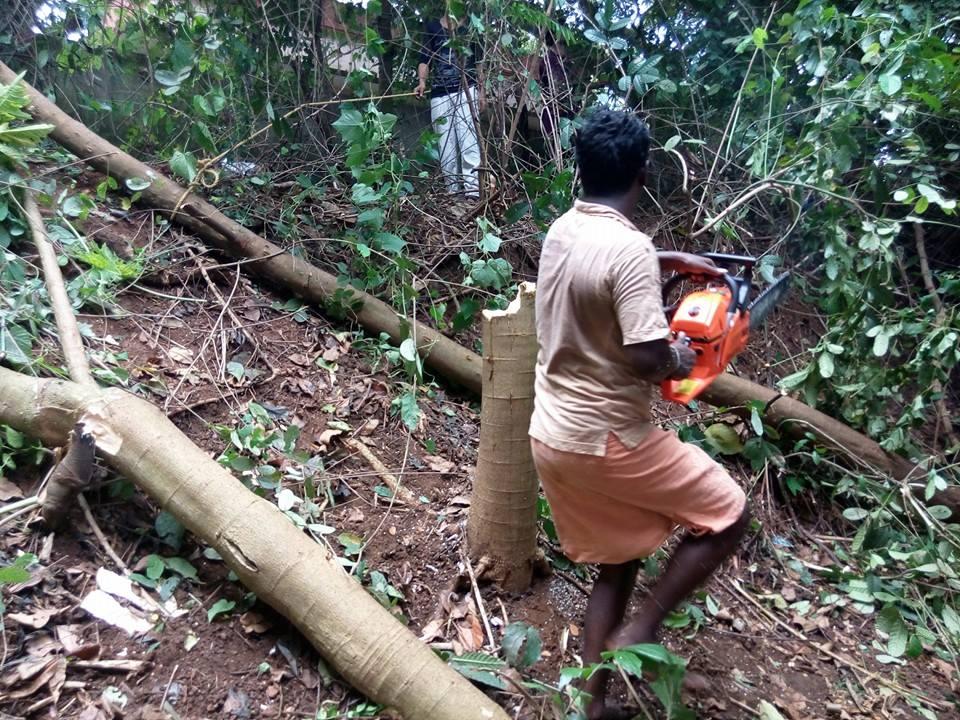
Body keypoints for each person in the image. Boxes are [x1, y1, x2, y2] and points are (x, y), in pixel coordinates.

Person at [528, 109, 750, 720]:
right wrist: (690, 351)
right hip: (606, 439)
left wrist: (674, 262)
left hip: (551, 432)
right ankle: (644, 628)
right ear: (643, 173)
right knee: (730, 513)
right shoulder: (628, 250)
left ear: (582, 166)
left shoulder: (562, 230)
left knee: (618, 557)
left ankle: (592, 704)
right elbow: (651, 359)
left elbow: (603, 270)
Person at [416, 14, 483, 197]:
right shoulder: (432, 26)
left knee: (469, 142)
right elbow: (425, 58)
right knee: (446, 146)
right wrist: (422, 82)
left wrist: (482, 92)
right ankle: (453, 195)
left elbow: (478, 62)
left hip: (467, 90)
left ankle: (473, 193)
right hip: (439, 93)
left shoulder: (471, 27)